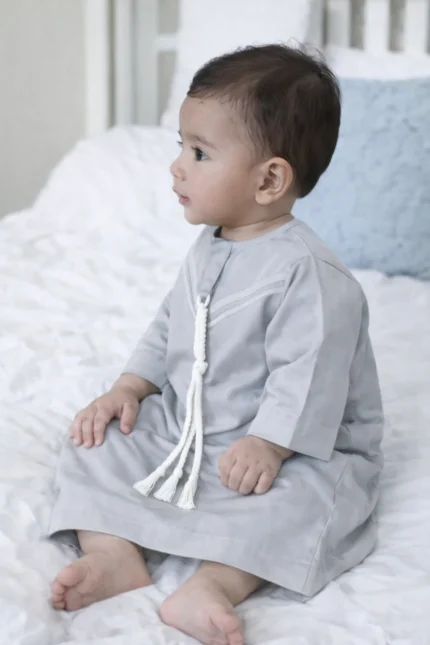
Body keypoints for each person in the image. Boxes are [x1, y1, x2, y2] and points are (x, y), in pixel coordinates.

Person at [49, 44, 383, 645]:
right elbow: (169, 325)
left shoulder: (310, 275)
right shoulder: (211, 245)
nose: (177, 166)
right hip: (192, 428)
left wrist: (269, 442)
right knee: (95, 442)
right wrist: (130, 387)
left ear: (269, 179)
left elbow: (308, 375)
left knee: (309, 503)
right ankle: (113, 553)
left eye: (199, 153)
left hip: (282, 449)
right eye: (181, 146)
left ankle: (215, 583)